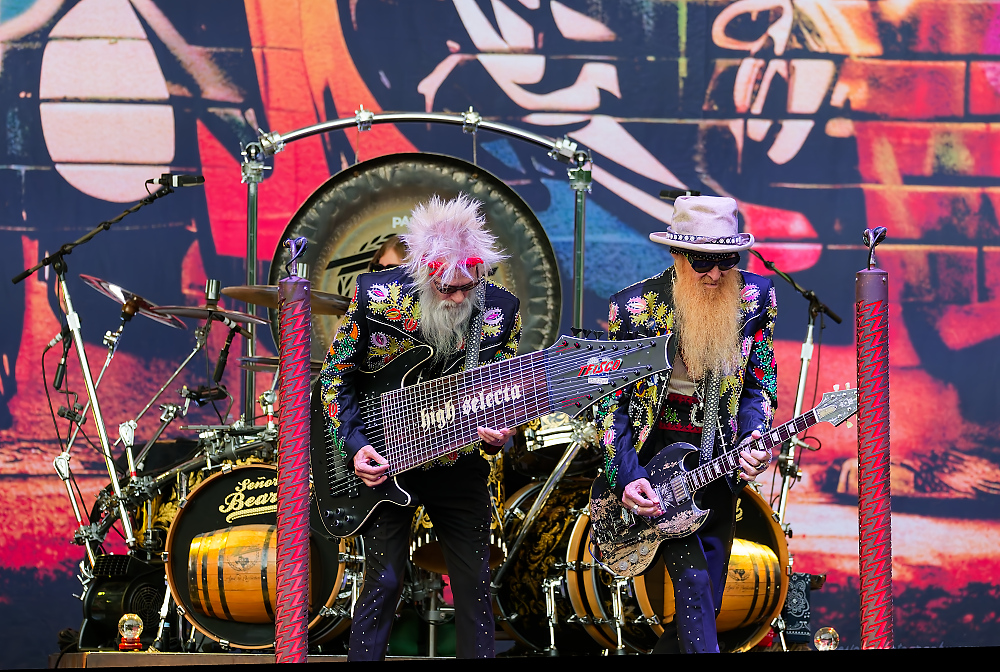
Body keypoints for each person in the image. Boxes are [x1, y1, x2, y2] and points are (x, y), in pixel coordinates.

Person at [319, 193, 521, 660]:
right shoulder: (377, 297)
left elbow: (504, 386)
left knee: (473, 583)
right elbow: (334, 377)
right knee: (384, 579)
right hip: (386, 461)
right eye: (446, 288)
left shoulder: (501, 310)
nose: (457, 298)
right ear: (423, 272)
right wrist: (353, 445)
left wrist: (499, 430)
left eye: (467, 287)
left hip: (459, 461)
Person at [594, 195, 777, 653]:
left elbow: (761, 384)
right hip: (654, 464)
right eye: (702, 262)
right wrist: (627, 478)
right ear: (676, 255)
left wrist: (756, 436)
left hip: (718, 460)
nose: (716, 274)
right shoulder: (633, 308)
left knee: (705, 607)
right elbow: (608, 404)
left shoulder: (755, 298)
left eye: (726, 261)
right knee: (694, 589)